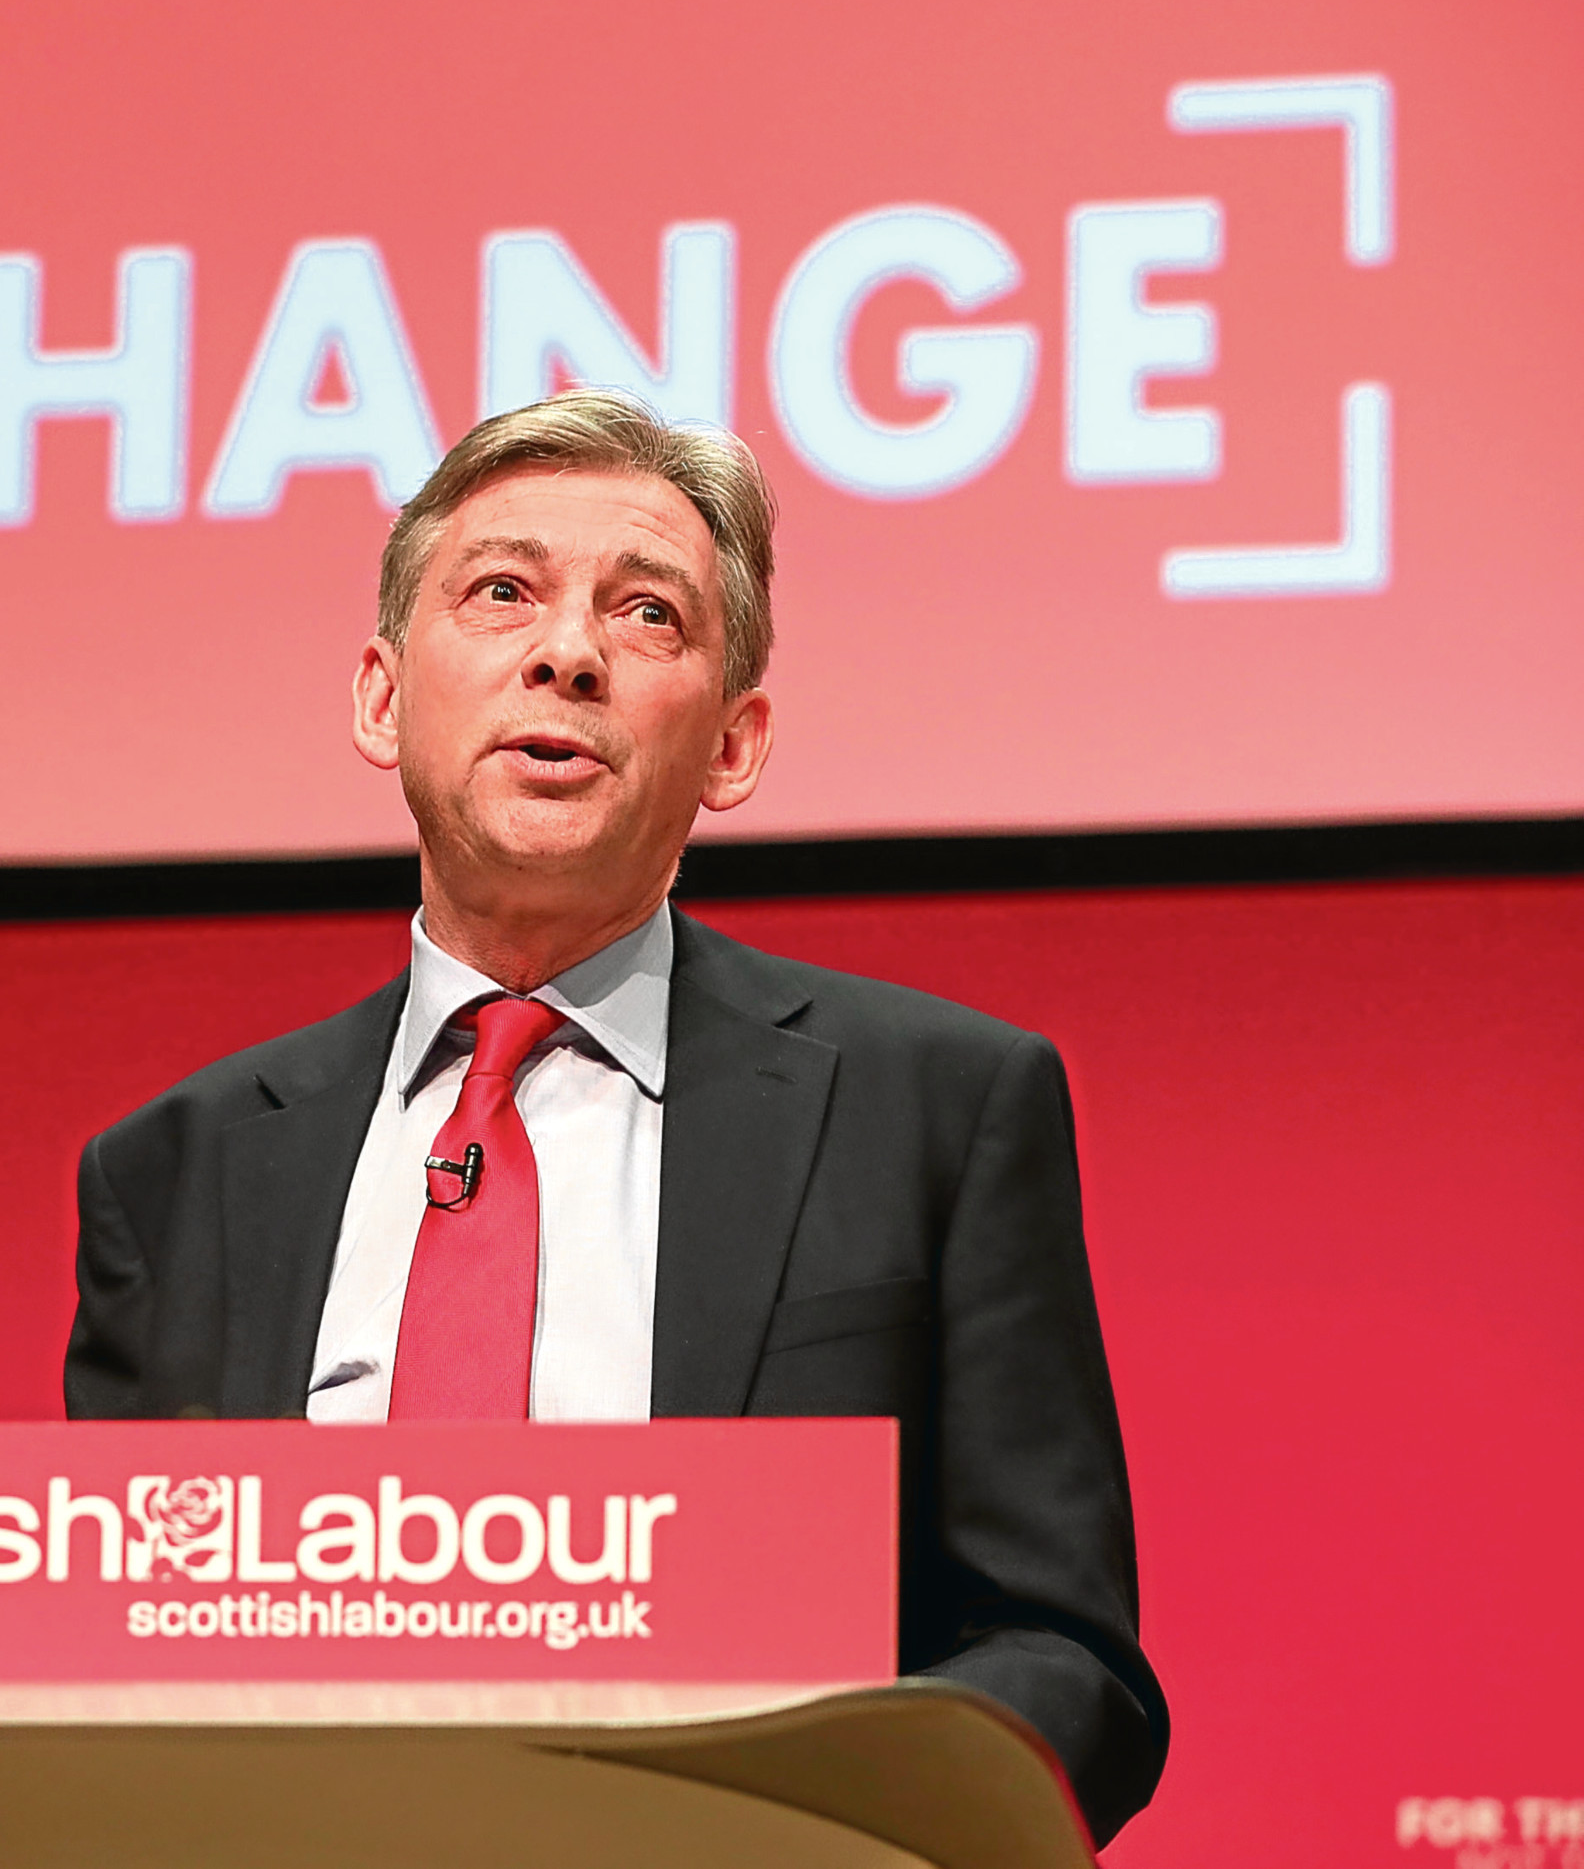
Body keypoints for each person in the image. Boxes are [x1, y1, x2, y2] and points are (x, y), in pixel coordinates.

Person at [62, 389, 1166, 1843]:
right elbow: (103, 1668)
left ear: (734, 743)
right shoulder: (179, 1173)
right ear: (382, 697)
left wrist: (805, 1822)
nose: (567, 652)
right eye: (503, 590)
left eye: (647, 614)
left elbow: (1062, 1649)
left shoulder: (941, 1110)